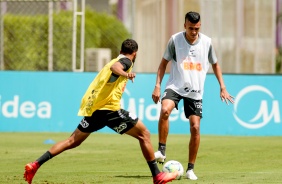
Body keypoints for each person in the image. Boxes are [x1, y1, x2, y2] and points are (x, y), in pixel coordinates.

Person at [24, 39, 178, 184]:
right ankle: (157, 176)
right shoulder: (126, 61)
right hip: (109, 110)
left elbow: (112, 69)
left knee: (72, 141)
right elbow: (116, 68)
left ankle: (35, 164)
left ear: (120, 50)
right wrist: (126, 73)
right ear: (135, 53)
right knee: (144, 134)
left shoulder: (112, 60)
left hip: (95, 110)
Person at [152, 12, 234, 180]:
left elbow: (216, 64)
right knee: (165, 110)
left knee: (195, 128)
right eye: (191, 28)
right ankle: (161, 150)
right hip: (175, 86)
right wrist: (158, 86)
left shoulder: (207, 43)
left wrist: (223, 87)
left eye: (197, 28)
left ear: (200, 26)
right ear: (184, 26)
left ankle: (190, 169)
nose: (194, 32)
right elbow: (162, 64)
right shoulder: (175, 40)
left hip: (195, 91)